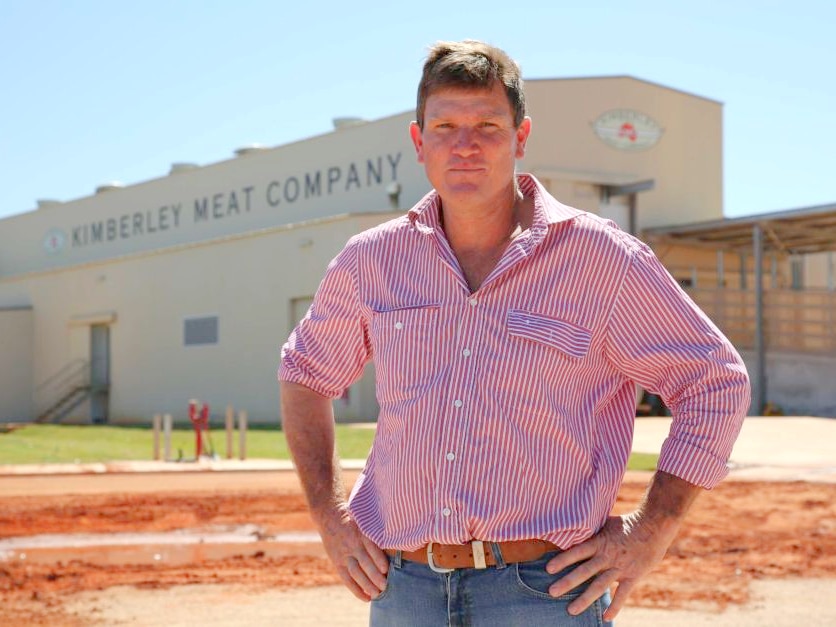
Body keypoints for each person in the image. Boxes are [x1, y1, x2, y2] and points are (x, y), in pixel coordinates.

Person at [279, 39, 750, 626]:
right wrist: (331, 516)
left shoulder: (601, 259)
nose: (466, 145)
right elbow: (304, 373)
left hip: (543, 595)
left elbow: (714, 382)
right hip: (404, 591)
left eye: (488, 126)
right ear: (418, 140)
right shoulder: (370, 262)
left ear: (521, 137)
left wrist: (648, 532)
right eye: (445, 125)